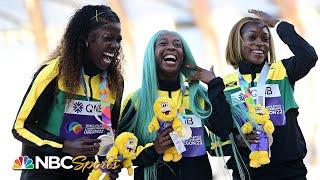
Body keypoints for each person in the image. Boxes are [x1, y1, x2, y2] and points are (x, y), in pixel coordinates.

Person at [12, 5, 124, 180]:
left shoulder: (113, 82)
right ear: (87, 38)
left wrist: (108, 163)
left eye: (118, 40)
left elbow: (108, 134)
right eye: (108, 38)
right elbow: (20, 127)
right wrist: (64, 146)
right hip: (44, 171)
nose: (115, 45)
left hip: (83, 174)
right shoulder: (54, 72)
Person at [215, 9, 318, 180]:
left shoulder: (282, 71)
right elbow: (218, 134)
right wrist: (237, 140)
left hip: (288, 170)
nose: (260, 43)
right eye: (252, 38)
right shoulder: (226, 84)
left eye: (265, 39)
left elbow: (308, 56)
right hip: (247, 170)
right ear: (237, 42)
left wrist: (278, 25)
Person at [117, 30, 233, 180]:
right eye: (163, 43)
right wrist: (154, 149)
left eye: (177, 45)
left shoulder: (197, 95)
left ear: (183, 57)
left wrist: (214, 84)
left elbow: (224, 129)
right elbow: (120, 153)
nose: (171, 47)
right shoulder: (136, 100)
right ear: (151, 56)